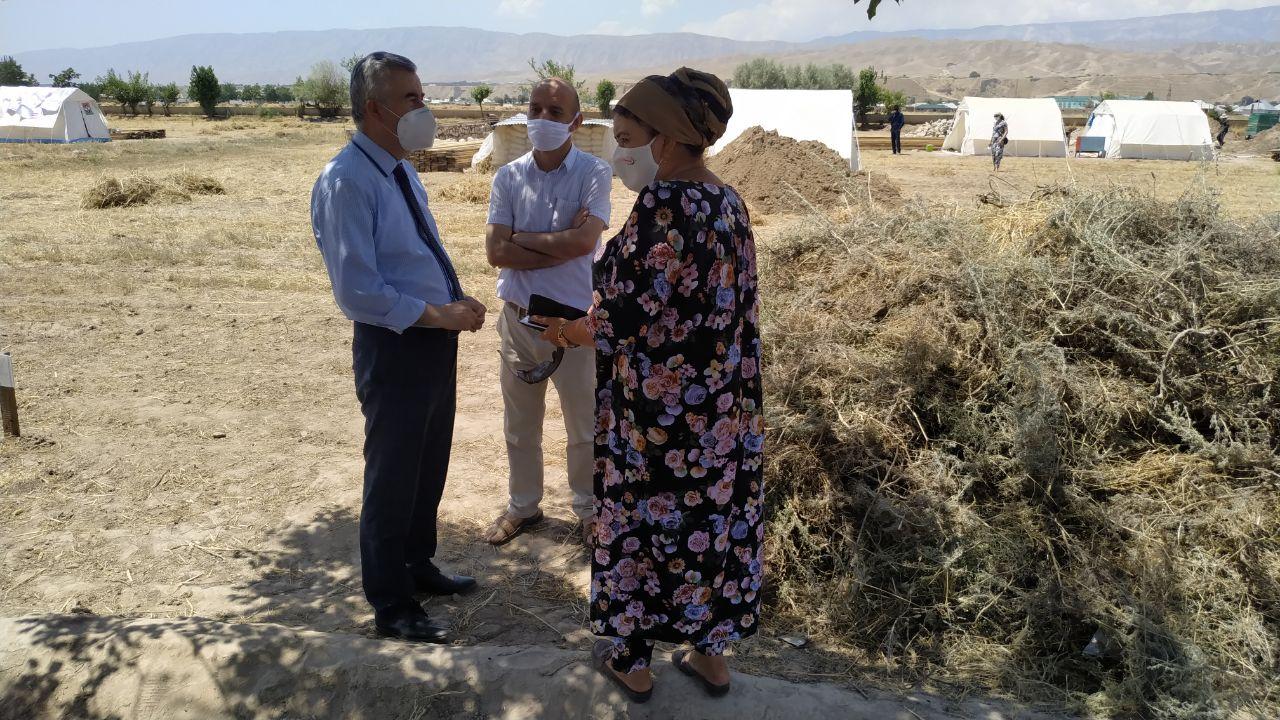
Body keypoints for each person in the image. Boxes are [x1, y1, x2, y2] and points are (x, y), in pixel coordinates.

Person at [535, 68, 764, 704]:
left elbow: (623, 317)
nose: (621, 152)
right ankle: (710, 656)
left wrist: (566, 330)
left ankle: (632, 662)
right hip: (721, 414)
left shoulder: (665, 206)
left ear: (664, 138)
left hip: (656, 420)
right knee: (710, 524)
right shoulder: (728, 201)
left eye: (628, 138)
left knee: (641, 527)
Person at [311, 52, 484, 643]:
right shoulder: (346, 181)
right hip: (395, 347)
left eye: (422, 96)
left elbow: (414, 255)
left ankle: (417, 563)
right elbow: (358, 291)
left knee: (427, 462)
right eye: (411, 99)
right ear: (374, 109)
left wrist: (454, 301)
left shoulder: (400, 170)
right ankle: (391, 602)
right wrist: (440, 313)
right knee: (392, 474)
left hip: (431, 340)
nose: (423, 109)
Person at [482, 78, 613, 546]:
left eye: (555, 112)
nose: (542, 119)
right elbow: (495, 252)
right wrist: (562, 244)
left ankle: (589, 511)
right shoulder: (508, 177)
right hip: (519, 320)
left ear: (576, 122)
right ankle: (524, 507)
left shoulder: (595, 173)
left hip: (574, 323)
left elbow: (584, 243)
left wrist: (521, 238)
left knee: (583, 426)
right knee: (520, 424)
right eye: (535, 109)